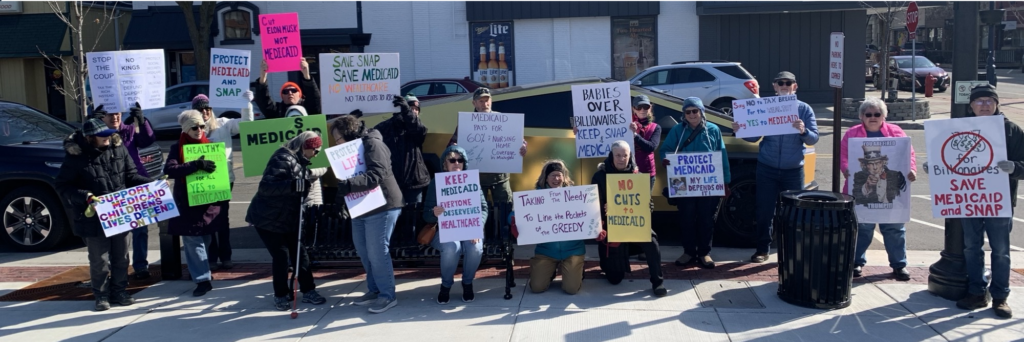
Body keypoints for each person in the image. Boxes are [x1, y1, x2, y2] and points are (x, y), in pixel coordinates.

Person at [923, 84, 1023, 318]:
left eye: (989, 100)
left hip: (999, 201)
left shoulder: (1011, 130)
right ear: (971, 106)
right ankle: (977, 292)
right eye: (979, 101)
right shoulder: (957, 129)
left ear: (997, 104)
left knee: (1001, 251)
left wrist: (1015, 168)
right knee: (971, 247)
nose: (984, 105)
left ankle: (1000, 297)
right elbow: (946, 157)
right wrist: (935, 167)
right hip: (969, 200)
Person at [56, 118, 153, 311]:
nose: (107, 138)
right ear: (90, 138)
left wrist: (151, 184)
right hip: (93, 217)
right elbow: (63, 185)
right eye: (102, 136)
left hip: (119, 212)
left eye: (108, 134)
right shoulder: (76, 157)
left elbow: (131, 176)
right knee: (99, 260)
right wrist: (85, 196)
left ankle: (119, 291)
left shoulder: (119, 149)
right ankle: (101, 295)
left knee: (121, 256)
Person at [731, 71, 819, 263]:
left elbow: (814, 138)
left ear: (795, 86)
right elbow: (753, 137)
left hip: (793, 170)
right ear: (775, 86)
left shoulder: (804, 109)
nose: (784, 86)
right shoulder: (765, 107)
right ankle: (762, 250)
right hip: (767, 168)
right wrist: (740, 130)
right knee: (764, 211)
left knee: (794, 213)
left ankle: (792, 253)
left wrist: (803, 131)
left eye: (788, 83)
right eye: (781, 83)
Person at [330, 114, 404, 314]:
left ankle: (387, 295)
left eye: (338, 139)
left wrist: (349, 185)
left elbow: (377, 174)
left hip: (383, 204)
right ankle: (375, 289)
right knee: (364, 250)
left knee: (377, 251)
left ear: (349, 133)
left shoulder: (373, 144)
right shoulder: (356, 146)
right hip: (361, 205)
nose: (337, 143)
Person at [246, 131, 328, 311]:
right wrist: (292, 185)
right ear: (306, 147)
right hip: (268, 219)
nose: (316, 155)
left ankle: (308, 290)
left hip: (288, 217)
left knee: (300, 254)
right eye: (315, 151)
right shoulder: (282, 158)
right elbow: (265, 187)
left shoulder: (301, 161)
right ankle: (281, 294)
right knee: (281, 256)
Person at [839, 97, 916, 281]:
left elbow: (909, 154)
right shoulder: (851, 133)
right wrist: (846, 168)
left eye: (877, 114)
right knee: (862, 227)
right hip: (859, 190)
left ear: (884, 116)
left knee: (894, 228)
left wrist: (912, 169)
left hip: (892, 189)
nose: (872, 117)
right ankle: (856, 262)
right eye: (868, 114)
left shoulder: (896, 132)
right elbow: (843, 156)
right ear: (861, 116)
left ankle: (899, 265)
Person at [85, 103, 158, 280]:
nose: (115, 117)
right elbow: (82, 145)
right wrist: (92, 121)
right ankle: (116, 268)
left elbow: (148, 140)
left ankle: (140, 265)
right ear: (101, 116)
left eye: (117, 113)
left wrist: (142, 120)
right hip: (112, 188)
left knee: (140, 230)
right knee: (115, 233)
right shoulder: (96, 137)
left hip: (134, 184)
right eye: (109, 114)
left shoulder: (129, 131)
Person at [659, 97, 731, 268]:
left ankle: (705, 253)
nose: (692, 114)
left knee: (707, 219)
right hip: (684, 183)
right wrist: (666, 160)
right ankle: (688, 252)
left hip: (708, 183)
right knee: (687, 218)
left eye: (695, 111)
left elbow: (721, 155)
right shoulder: (677, 130)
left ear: (701, 112)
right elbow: (666, 150)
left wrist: (726, 181)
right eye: (688, 112)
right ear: (684, 114)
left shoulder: (713, 130)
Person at [448, 87, 527, 240]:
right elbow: (451, 147)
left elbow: (519, 141)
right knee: (477, 212)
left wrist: (523, 147)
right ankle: (479, 244)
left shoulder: (503, 119)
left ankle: (505, 243)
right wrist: (455, 148)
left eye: (487, 100)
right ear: (474, 103)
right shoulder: (466, 123)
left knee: (505, 211)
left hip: (500, 178)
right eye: (481, 101)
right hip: (476, 179)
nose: (485, 104)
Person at [591, 140, 667, 297]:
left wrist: (649, 206)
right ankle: (610, 263)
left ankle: (658, 282)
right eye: (618, 155)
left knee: (652, 241)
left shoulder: (637, 176)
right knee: (614, 279)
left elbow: (645, 202)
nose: (621, 159)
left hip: (634, 223)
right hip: (612, 225)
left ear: (630, 156)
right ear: (611, 155)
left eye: (625, 155)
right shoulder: (599, 176)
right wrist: (603, 209)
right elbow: (593, 206)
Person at [192, 92, 255, 270]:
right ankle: (211, 257)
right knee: (206, 219)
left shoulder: (223, 124)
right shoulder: (191, 129)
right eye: (200, 109)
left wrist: (246, 103)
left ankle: (226, 256)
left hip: (224, 180)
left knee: (222, 218)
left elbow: (246, 124)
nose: (204, 112)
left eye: (207, 108)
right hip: (201, 181)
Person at [163, 110, 223, 296]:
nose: (199, 130)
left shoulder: (211, 146)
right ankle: (202, 279)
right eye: (194, 127)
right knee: (193, 241)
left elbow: (221, 172)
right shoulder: (177, 148)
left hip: (207, 202)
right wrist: (195, 165)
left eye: (202, 126)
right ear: (186, 129)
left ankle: (200, 270)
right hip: (187, 203)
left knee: (205, 239)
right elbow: (170, 169)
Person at [422, 145, 488, 304]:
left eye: (460, 160)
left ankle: (467, 283)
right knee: (452, 247)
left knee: (475, 247)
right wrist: (434, 213)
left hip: (469, 228)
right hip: (444, 230)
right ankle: (445, 286)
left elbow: (483, 208)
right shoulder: (436, 183)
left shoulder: (472, 181)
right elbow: (426, 215)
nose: (456, 163)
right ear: (445, 164)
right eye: (452, 160)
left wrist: (477, 227)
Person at [524, 160, 586, 295]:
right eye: (553, 175)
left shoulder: (575, 196)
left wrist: (597, 227)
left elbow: (590, 213)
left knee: (571, 289)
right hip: (546, 251)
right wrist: (513, 220)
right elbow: (518, 213)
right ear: (546, 178)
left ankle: (577, 269)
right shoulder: (535, 198)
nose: (556, 179)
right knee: (536, 287)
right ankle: (550, 271)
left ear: (564, 177)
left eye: (559, 175)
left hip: (572, 250)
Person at [376, 94, 430, 243]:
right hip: (392, 182)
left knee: (413, 220)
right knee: (393, 220)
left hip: (415, 182)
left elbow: (419, 130)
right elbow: (370, 139)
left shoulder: (417, 128)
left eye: (416, 109)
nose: (414, 111)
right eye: (410, 108)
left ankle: (412, 249)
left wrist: (407, 112)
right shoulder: (385, 127)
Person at [255, 58, 322, 118]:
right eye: (285, 92)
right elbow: (263, 101)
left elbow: (314, 97)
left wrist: (306, 75)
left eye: (293, 90)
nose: (290, 93)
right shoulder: (277, 110)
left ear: (300, 94)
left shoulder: (309, 107)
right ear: (282, 96)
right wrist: (263, 77)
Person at [630, 95, 662, 190]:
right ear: (634, 109)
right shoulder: (627, 125)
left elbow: (651, 147)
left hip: (647, 172)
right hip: (627, 170)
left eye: (646, 107)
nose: (642, 110)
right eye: (639, 107)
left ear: (650, 108)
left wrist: (635, 135)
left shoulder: (655, 127)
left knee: (645, 199)